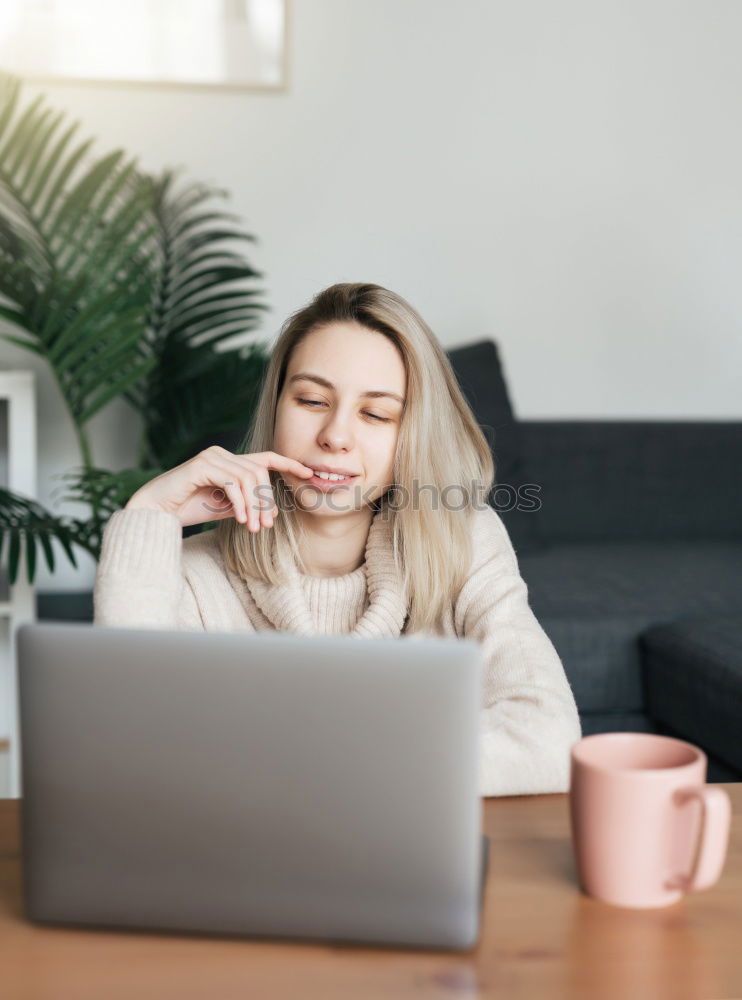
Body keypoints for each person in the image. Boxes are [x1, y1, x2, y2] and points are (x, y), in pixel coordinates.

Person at [94, 282, 581, 796]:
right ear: (277, 407)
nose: (336, 436)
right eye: (311, 400)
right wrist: (148, 514)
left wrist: (307, 769)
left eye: (375, 413)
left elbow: (548, 741)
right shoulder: (191, 573)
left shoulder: (464, 543)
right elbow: (129, 748)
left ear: (412, 434)